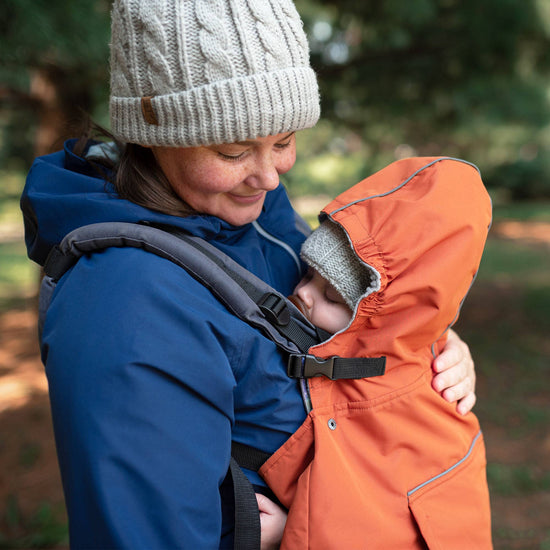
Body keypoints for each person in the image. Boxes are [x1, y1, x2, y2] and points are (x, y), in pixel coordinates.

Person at [21, 1, 477, 548]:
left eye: (283, 142)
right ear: (153, 132)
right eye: (233, 150)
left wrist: (422, 341)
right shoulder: (127, 303)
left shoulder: (246, 211)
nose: (266, 177)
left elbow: (340, 315)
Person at [260, 157, 493, 549]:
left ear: (383, 317)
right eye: (307, 274)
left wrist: (293, 529)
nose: (303, 293)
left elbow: (386, 518)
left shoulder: (411, 404)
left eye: (331, 296)